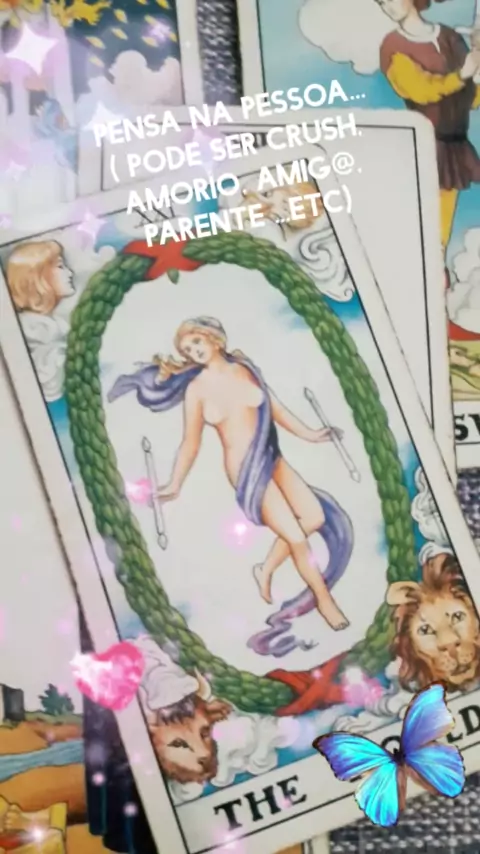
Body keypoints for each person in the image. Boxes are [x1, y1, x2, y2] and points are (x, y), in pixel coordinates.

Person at [109, 316, 353, 637]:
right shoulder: (196, 390)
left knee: (314, 516)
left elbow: (276, 409)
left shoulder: (244, 368)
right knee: (296, 536)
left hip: (271, 454)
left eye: (196, 342)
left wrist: (311, 434)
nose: (193, 351)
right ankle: (324, 601)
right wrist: (175, 483)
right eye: (186, 349)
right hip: (245, 470)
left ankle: (265, 568)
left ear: (213, 338)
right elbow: (190, 442)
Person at [377, 0, 480, 251]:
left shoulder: (449, 36)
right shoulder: (392, 45)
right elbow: (420, 90)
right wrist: (462, 75)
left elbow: (472, 99)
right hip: (424, 145)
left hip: (454, 145)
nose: (387, 7)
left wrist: (478, 69)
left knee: (440, 231)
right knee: (421, 224)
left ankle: (436, 271)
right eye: (381, 3)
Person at [6, 241, 75, 401]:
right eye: (60, 266)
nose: (70, 273)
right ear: (37, 277)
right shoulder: (34, 329)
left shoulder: (55, 324)